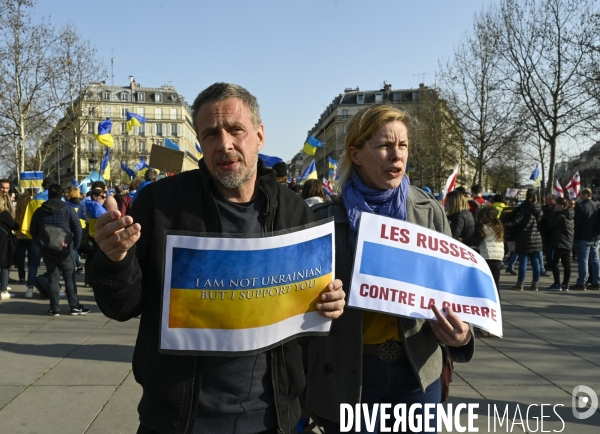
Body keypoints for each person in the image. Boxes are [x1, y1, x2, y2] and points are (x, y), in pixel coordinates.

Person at [89, 82, 346, 434]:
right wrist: (114, 259)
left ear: (259, 135)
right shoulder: (161, 204)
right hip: (178, 419)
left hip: (271, 419)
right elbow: (123, 306)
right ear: (200, 145)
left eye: (235, 129)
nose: (224, 144)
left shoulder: (294, 211)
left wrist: (328, 301)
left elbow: (308, 310)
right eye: (210, 134)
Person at [304, 105, 474, 433]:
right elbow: (299, 307)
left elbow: (459, 292)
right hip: (349, 373)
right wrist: (318, 303)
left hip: (416, 370)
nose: (397, 156)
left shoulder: (429, 212)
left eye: (403, 145)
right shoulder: (323, 219)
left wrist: (462, 333)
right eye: (384, 146)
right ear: (356, 153)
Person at [29, 184, 87, 316]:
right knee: (69, 278)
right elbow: (78, 229)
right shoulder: (68, 209)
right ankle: (74, 306)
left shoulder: (39, 211)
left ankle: (54, 308)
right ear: (62, 194)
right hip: (66, 249)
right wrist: (75, 247)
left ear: (48, 194)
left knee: (53, 279)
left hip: (48, 249)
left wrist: (41, 243)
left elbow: (33, 231)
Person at [503, 189, 543, 291]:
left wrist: (503, 224)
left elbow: (516, 221)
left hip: (523, 237)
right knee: (535, 262)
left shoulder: (523, 208)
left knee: (523, 262)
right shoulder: (539, 209)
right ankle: (535, 284)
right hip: (537, 238)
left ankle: (520, 283)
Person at [572, 188, 600, 290]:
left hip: (583, 237)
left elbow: (577, 224)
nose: (579, 196)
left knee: (583, 261)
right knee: (595, 260)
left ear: (585, 195)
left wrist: (575, 235)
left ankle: (581, 282)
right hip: (595, 237)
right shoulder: (597, 205)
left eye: (580, 194)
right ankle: (596, 281)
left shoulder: (581, 207)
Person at [472, 206, 504, 295]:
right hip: (498, 257)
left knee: (484, 284)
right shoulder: (498, 226)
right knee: (495, 285)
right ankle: (497, 306)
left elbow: (476, 241)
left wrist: (463, 240)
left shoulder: (481, 226)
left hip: (487, 256)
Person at [546, 197, 574, 291]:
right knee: (566, 264)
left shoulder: (561, 216)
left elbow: (550, 225)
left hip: (559, 242)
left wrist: (553, 213)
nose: (555, 207)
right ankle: (566, 284)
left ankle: (557, 283)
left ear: (562, 206)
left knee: (554, 262)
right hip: (568, 243)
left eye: (557, 205)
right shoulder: (570, 215)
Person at [0, 187, 19, 299]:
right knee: (4, 265)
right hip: (3, 241)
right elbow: (15, 225)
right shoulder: (4, 214)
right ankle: (3, 290)